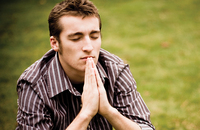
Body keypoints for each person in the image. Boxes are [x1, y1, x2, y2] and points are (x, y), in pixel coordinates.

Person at [16, 0, 155, 129]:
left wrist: (109, 111)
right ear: (55, 43)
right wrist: (86, 113)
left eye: (94, 36)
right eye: (76, 38)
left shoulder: (115, 70)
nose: (89, 47)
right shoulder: (33, 84)